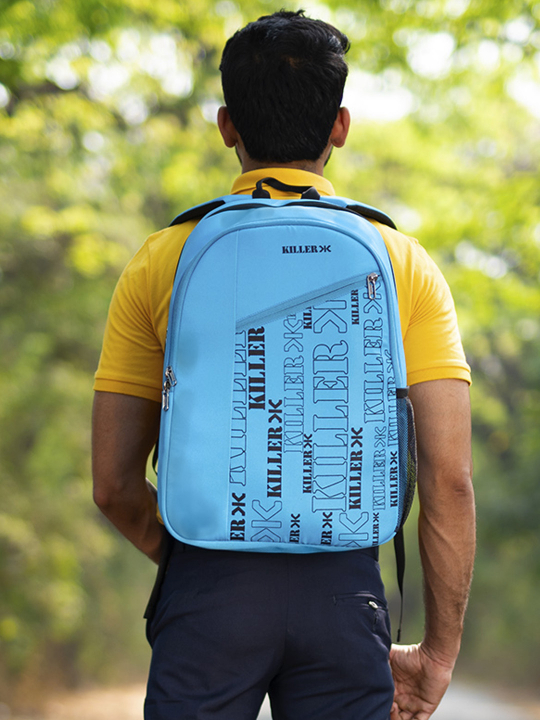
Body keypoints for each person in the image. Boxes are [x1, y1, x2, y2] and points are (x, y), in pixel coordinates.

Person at [92, 10, 475, 720]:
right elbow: (449, 480)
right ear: (341, 126)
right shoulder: (403, 264)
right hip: (344, 596)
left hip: (206, 592)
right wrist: (439, 655)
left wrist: (200, 563)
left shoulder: (161, 259)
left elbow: (114, 485)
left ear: (226, 125)